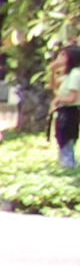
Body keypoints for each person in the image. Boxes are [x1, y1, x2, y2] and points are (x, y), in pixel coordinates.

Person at [53, 43, 79, 171]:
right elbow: (53, 86)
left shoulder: (76, 74)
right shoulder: (67, 74)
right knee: (61, 139)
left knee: (67, 140)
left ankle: (68, 167)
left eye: (64, 55)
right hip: (63, 110)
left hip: (70, 111)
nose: (60, 57)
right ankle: (64, 166)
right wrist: (52, 70)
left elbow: (73, 98)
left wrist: (59, 100)